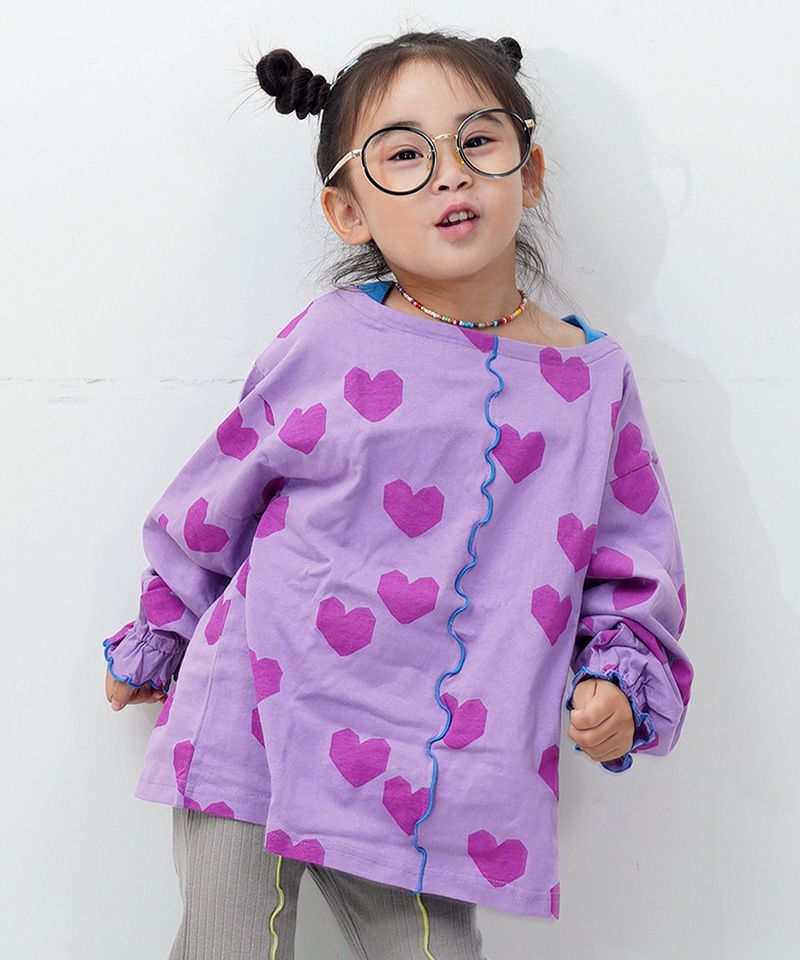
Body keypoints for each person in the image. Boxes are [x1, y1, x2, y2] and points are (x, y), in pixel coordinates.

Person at [102, 29, 694, 960]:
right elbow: (218, 493)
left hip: (438, 770)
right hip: (258, 711)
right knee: (227, 945)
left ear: (530, 171)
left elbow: (633, 560)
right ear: (348, 209)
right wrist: (163, 629)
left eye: (478, 141)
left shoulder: (591, 383)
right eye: (405, 155)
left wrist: (617, 676)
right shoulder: (330, 341)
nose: (450, 173)